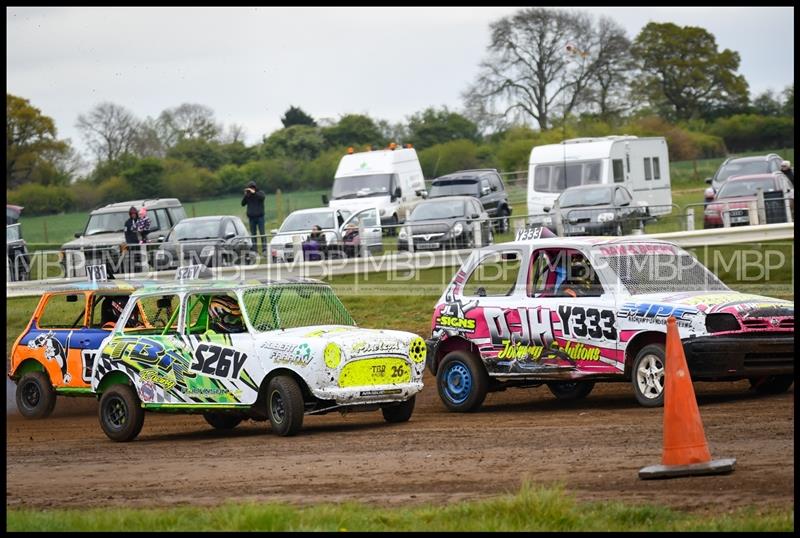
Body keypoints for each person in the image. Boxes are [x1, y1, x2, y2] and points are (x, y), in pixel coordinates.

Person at [241, 181, 267, 255]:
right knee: (253, 234)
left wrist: (254, 193)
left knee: (262, 233)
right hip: (251, 218)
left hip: (260, 217)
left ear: (255, 187)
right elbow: (242, 204)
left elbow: (262, 198)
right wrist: (246, 195)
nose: (251, 189)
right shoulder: (248, 196)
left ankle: (264, 249)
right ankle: (255, 249)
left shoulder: (260, 193)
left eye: (253, 187)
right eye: (250, 188)